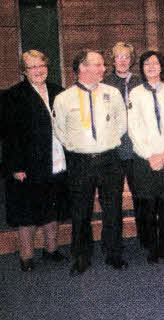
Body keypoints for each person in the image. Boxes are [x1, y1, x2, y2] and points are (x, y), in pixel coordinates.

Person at [53, 49, 128, 275]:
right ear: (82, 68)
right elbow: (60, 131)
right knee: (80, 211)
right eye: (98, 65)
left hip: (109, 159)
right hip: (80, 162)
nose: (104, 69)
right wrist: (80, 147)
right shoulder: (63, 98)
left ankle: (114, 252)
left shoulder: (112, 94)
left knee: (113, 209)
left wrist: (104, 143)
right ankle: (82, 256)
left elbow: (121, 124)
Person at [3, 49, 68, 271]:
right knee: (27, 213)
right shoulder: (14, 95)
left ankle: (51, 250)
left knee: (53, 209)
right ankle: (26, 256)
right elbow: (9, 135)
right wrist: (16, 166)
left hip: (56, 160)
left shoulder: (58, 91)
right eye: (32, 67)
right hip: (27, 165)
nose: (38, 71)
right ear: (24, 71)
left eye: (41, 66)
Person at [128, 51, 164, 263]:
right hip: (145, 159)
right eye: (147, 64)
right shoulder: (135, 94)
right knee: (148, 206)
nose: (151, 67)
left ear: (162, 67)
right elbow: (133, 128)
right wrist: (149, 155)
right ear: (142, 68)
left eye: (155, 63)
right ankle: (152, 248)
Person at [102, 42, 145, 249]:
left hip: (136, 150)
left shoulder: (139, 82)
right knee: (112, 201)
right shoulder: (104, 83)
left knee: (141, 197)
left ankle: (146, 240)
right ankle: (112, 245)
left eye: (126, 56)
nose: (123, 60)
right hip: (113, 152)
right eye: (118, 56)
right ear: (113, 59)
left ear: (132, 59)